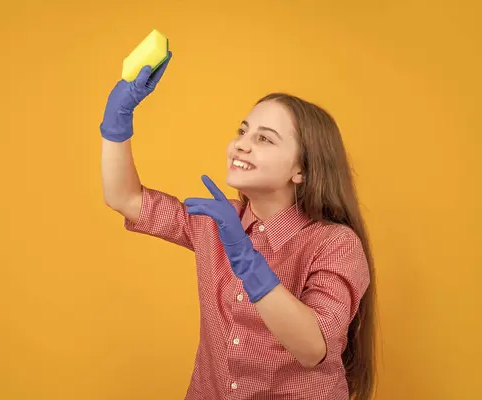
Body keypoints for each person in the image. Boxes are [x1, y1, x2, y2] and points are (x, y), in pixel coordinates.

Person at [100, 51, 377, 400]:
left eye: (264, 139)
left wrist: (247, 261)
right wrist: (116, 121)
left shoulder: (335, 244)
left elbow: (313, 348)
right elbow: (125, 198)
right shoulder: (217, 221)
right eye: (243, 131)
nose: (241, 145)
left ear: (302, 170)